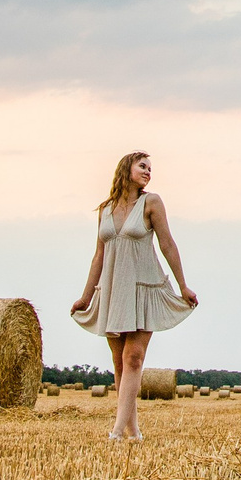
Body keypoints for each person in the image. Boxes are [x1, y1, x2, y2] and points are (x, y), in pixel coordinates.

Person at [72, 150, 199, 440]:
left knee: (134, 358)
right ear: (126, 168)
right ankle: (133, 431)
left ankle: (117, 431)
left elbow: (167, 244)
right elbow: (98, 256)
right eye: (143, 166)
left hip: (144, 287)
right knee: (118, 362)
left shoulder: (151, 202)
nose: (148, 171)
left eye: (150, 168)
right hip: (114, 290)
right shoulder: (105, 209)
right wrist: (86, 297)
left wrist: (182, 286)